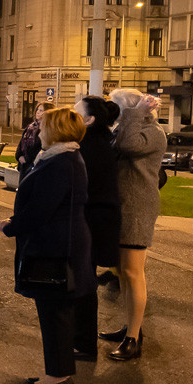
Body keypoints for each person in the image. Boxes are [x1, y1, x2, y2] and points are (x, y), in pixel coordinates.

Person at [0, 108, 93, 384]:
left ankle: (57, 376)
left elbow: (41, 209)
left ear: (56, 130)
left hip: (55, 248)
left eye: (43, 126)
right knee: (56, 312)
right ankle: (58, 372)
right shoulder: (60, 158)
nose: (39, 131)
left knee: (54, 314)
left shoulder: (60, 162)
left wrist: (11, 226)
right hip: (60, 244)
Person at [99, 89, 167, 361]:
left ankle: (133, 339)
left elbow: (128, 145)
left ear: (129, 108)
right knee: (123, 273)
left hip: (137, 208)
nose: (115, 111)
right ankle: (131, 327)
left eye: (117, 106)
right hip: (122, 206)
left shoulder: (152, 132)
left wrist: (135, 112)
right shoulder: (128, 127)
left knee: (133, 272)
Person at [73, 95, 121, 361]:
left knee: (83, 284)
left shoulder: (89, 146)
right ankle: (82, 340)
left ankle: (84, 344)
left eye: (76, 113)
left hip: (91, 223)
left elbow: (81, 187)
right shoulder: (94, 141)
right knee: (83, 282)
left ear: (89, 120)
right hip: (94, 221)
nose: (72, 115)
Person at [16, 102, 55, 182]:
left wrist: (30, 161)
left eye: (41, 110)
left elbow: (44, 149)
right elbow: (22, 142)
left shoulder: (48, 130)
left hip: (36, 168)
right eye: (37, 109)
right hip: (24, 166)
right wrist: (19, 156)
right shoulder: (30, 127)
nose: (38, 112)